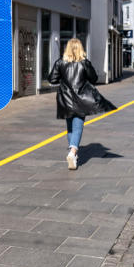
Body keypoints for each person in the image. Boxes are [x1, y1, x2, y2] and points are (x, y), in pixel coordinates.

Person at [48, 38, 117, 170]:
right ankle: (73, 152)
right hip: (81, 99)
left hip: (65, 99)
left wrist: (63, 79)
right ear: (80, 48)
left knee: (70, 127)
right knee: (78, 126)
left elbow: (52, 79)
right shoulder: (84, 63)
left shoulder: (60, 63)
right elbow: (94, 78)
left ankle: (73, 153)